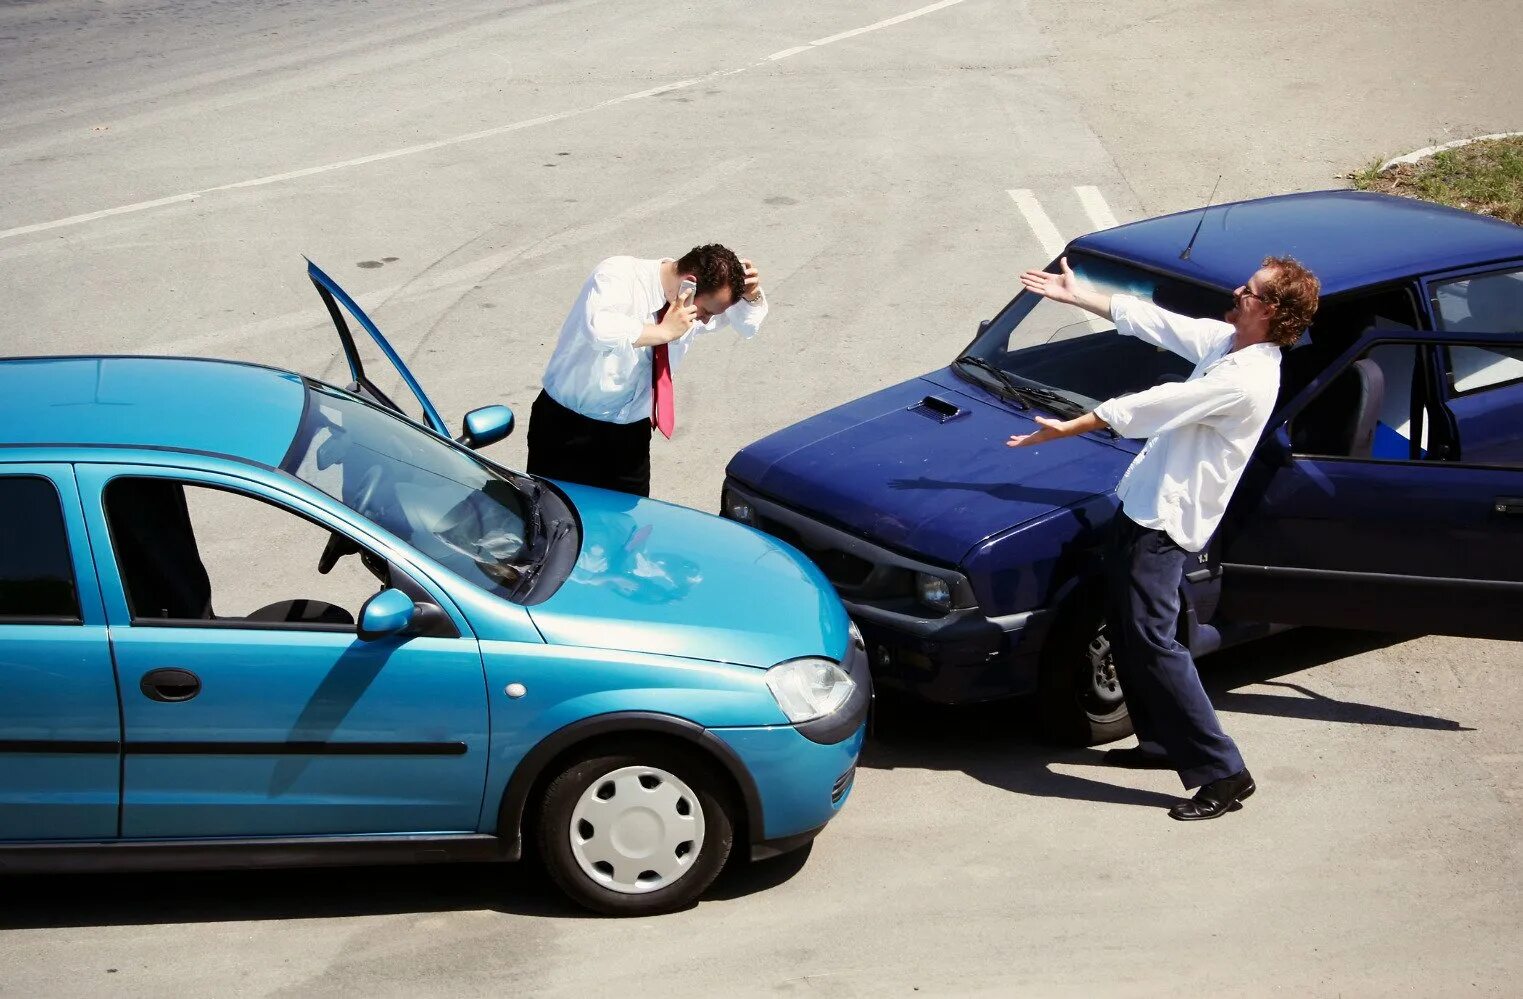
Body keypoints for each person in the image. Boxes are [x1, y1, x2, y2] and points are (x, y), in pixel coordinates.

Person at [1006, 255, 1320, 820]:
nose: (1235, 290)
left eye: (1247, 290)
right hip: (1144, 507)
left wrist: (1075, 425)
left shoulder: (1246, 378)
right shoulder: (1229, 343)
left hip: (1164, 525)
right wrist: (1077, 296)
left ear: (1269, 310)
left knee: (1152, 642)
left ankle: (1225, 774)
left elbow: (1159, 403)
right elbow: (1156, 321)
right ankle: (1159, 744)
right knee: (1136, 633)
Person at [527, 244, 766, 497]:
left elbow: (748, 327)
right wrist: (663, 332)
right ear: (689, 284)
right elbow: (599, 330)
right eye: (706, 311)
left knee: (631, 528)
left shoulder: (689, 305)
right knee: (554, 525)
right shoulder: (618, 274)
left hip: (630, 437)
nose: (705, 320)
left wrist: (752, 296)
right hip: (567, 430)